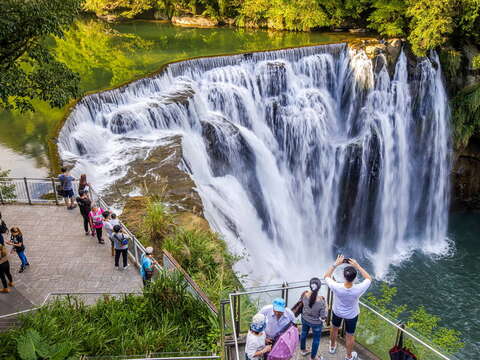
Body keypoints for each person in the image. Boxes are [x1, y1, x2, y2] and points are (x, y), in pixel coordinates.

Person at [324, 255, 372, 360]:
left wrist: (335, 264)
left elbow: (326, 276)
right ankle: (349, 356)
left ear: (343, 276)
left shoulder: (336, 286)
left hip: (337, 312)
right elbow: (369, 278)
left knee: (334, 329)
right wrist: (357, 266)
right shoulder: (359, 288)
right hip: (351, 315)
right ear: (354, 277)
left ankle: (332, 347)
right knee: (349, 336)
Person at [300, 278, 327, 360]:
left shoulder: (304, 294)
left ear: (310, 286)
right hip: (316, 324)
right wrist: (326, 306)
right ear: (319, 288)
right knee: (316, 340)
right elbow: (323, 317)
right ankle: (312, 358)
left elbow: (303, 303)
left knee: (304, 333)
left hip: (304, 318)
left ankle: (303, 350)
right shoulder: (321, 301)